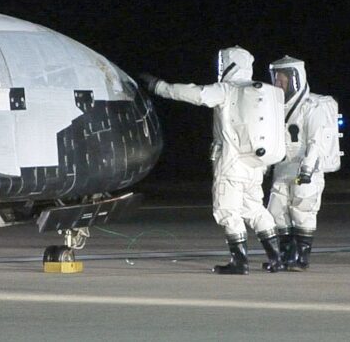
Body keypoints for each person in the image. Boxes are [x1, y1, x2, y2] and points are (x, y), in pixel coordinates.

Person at [139, 46, 285, 274]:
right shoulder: (256, 92)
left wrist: (160, 87)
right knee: (255, 209)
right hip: (255, 166)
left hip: (231, 164)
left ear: (228, 64)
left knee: (227, 211)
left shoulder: (227, 90)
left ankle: (240, 262)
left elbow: (195, 94)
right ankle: (277, 259)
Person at [267, 56, 327, 271]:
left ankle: (301, 258)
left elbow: (315, 141)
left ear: (295, 80)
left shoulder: (312, 107)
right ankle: (286, 254)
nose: (278, 84)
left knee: (302, 211)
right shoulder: (275, 107)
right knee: (275, 211)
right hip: (283, 167)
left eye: (282, 80)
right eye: (276, 79)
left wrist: (308, 169)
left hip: (304, 167)